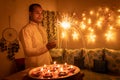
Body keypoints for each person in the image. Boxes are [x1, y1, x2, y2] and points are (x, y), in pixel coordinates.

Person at [19, 3, 56, 68]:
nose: (40, 15)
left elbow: (45, 47)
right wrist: (47, 47)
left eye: (41, 13)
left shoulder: (42, 28)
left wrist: (50, 60)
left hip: (47, 64)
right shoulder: (26, 30)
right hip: (34, 67)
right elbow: (28, 51)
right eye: (37, 13)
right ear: (30, 14)